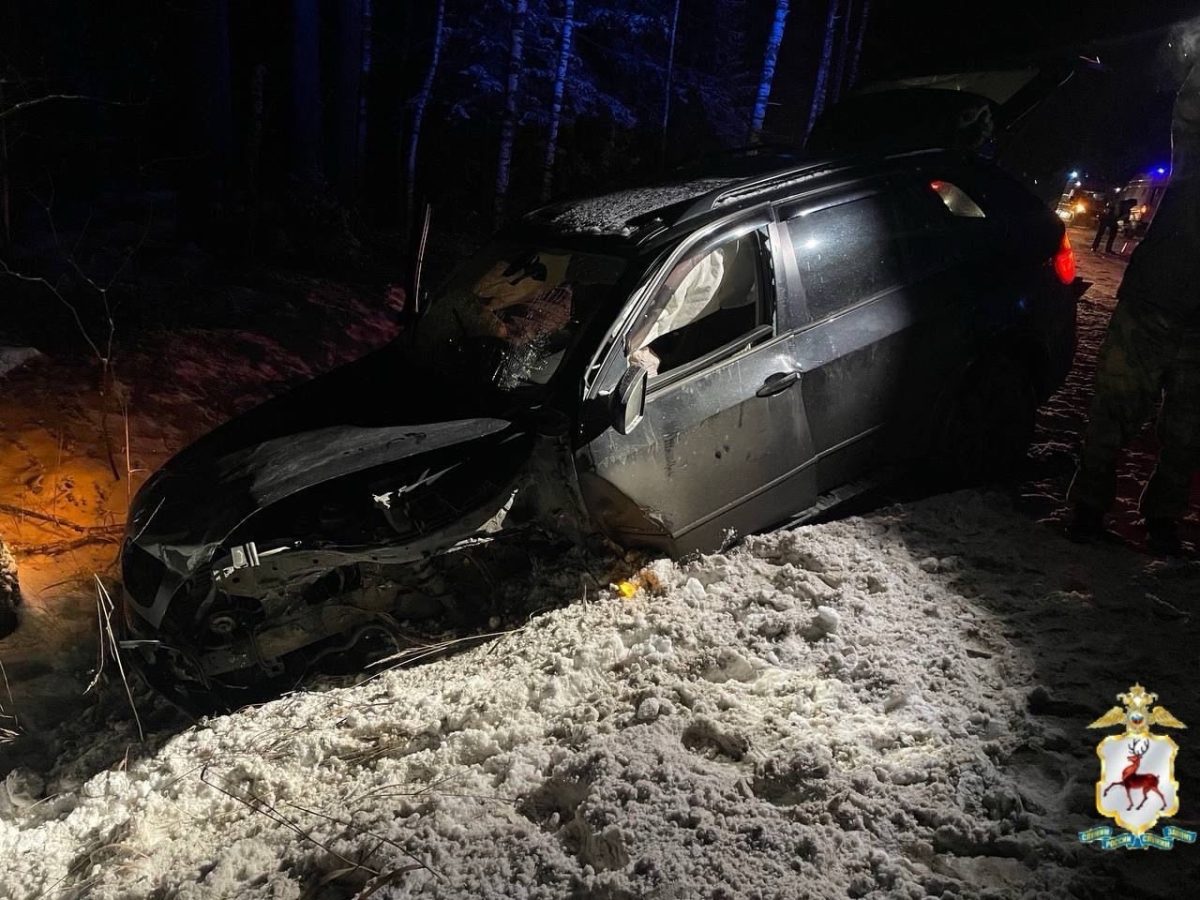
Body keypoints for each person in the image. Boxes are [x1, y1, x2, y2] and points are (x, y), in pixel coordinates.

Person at [1068, 59, 1200, 555]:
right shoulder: (1196, 157)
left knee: (1189, 431)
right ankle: (1088, 510)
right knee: (1115, 409)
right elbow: (1191, 109)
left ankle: (1163, 521)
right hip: (1154, 301)